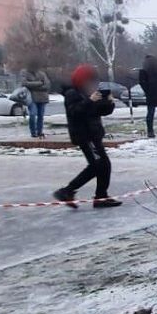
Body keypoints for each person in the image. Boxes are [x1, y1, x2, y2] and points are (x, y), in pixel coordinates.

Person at [53, 64, 121, 208]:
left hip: (94, 134)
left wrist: (109, 102)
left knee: (100, 165)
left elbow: (100, 111)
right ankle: (71, 192)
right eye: (90, 81)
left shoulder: (88, 92)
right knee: (100, 165)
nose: (93, 84)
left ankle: (92, 195)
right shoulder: (72, 94)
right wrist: (90, 100)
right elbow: (75, 112)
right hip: (85, 135)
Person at [19, 59, 51, 138]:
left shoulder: (42, 74)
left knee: (40, 116)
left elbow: (47, 85)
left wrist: (33, 86)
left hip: (42, 98)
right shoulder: (24, 72)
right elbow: (25, 83)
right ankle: (33, 132)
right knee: (32, 114)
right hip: (31, 98)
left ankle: (39, 132)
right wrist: (39, 83)